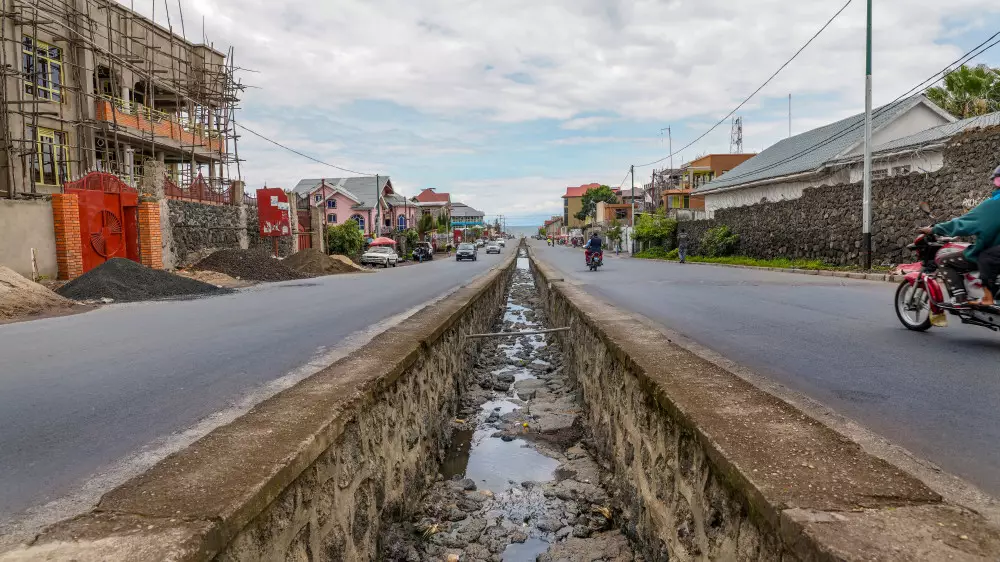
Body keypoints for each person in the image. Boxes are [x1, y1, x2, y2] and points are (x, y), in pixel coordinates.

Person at [920, 164, 1000, 306]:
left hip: (990, 254)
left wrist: (935, 229)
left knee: (944, 261)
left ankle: (959, 298)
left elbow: (962, 223)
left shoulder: (991, 205)